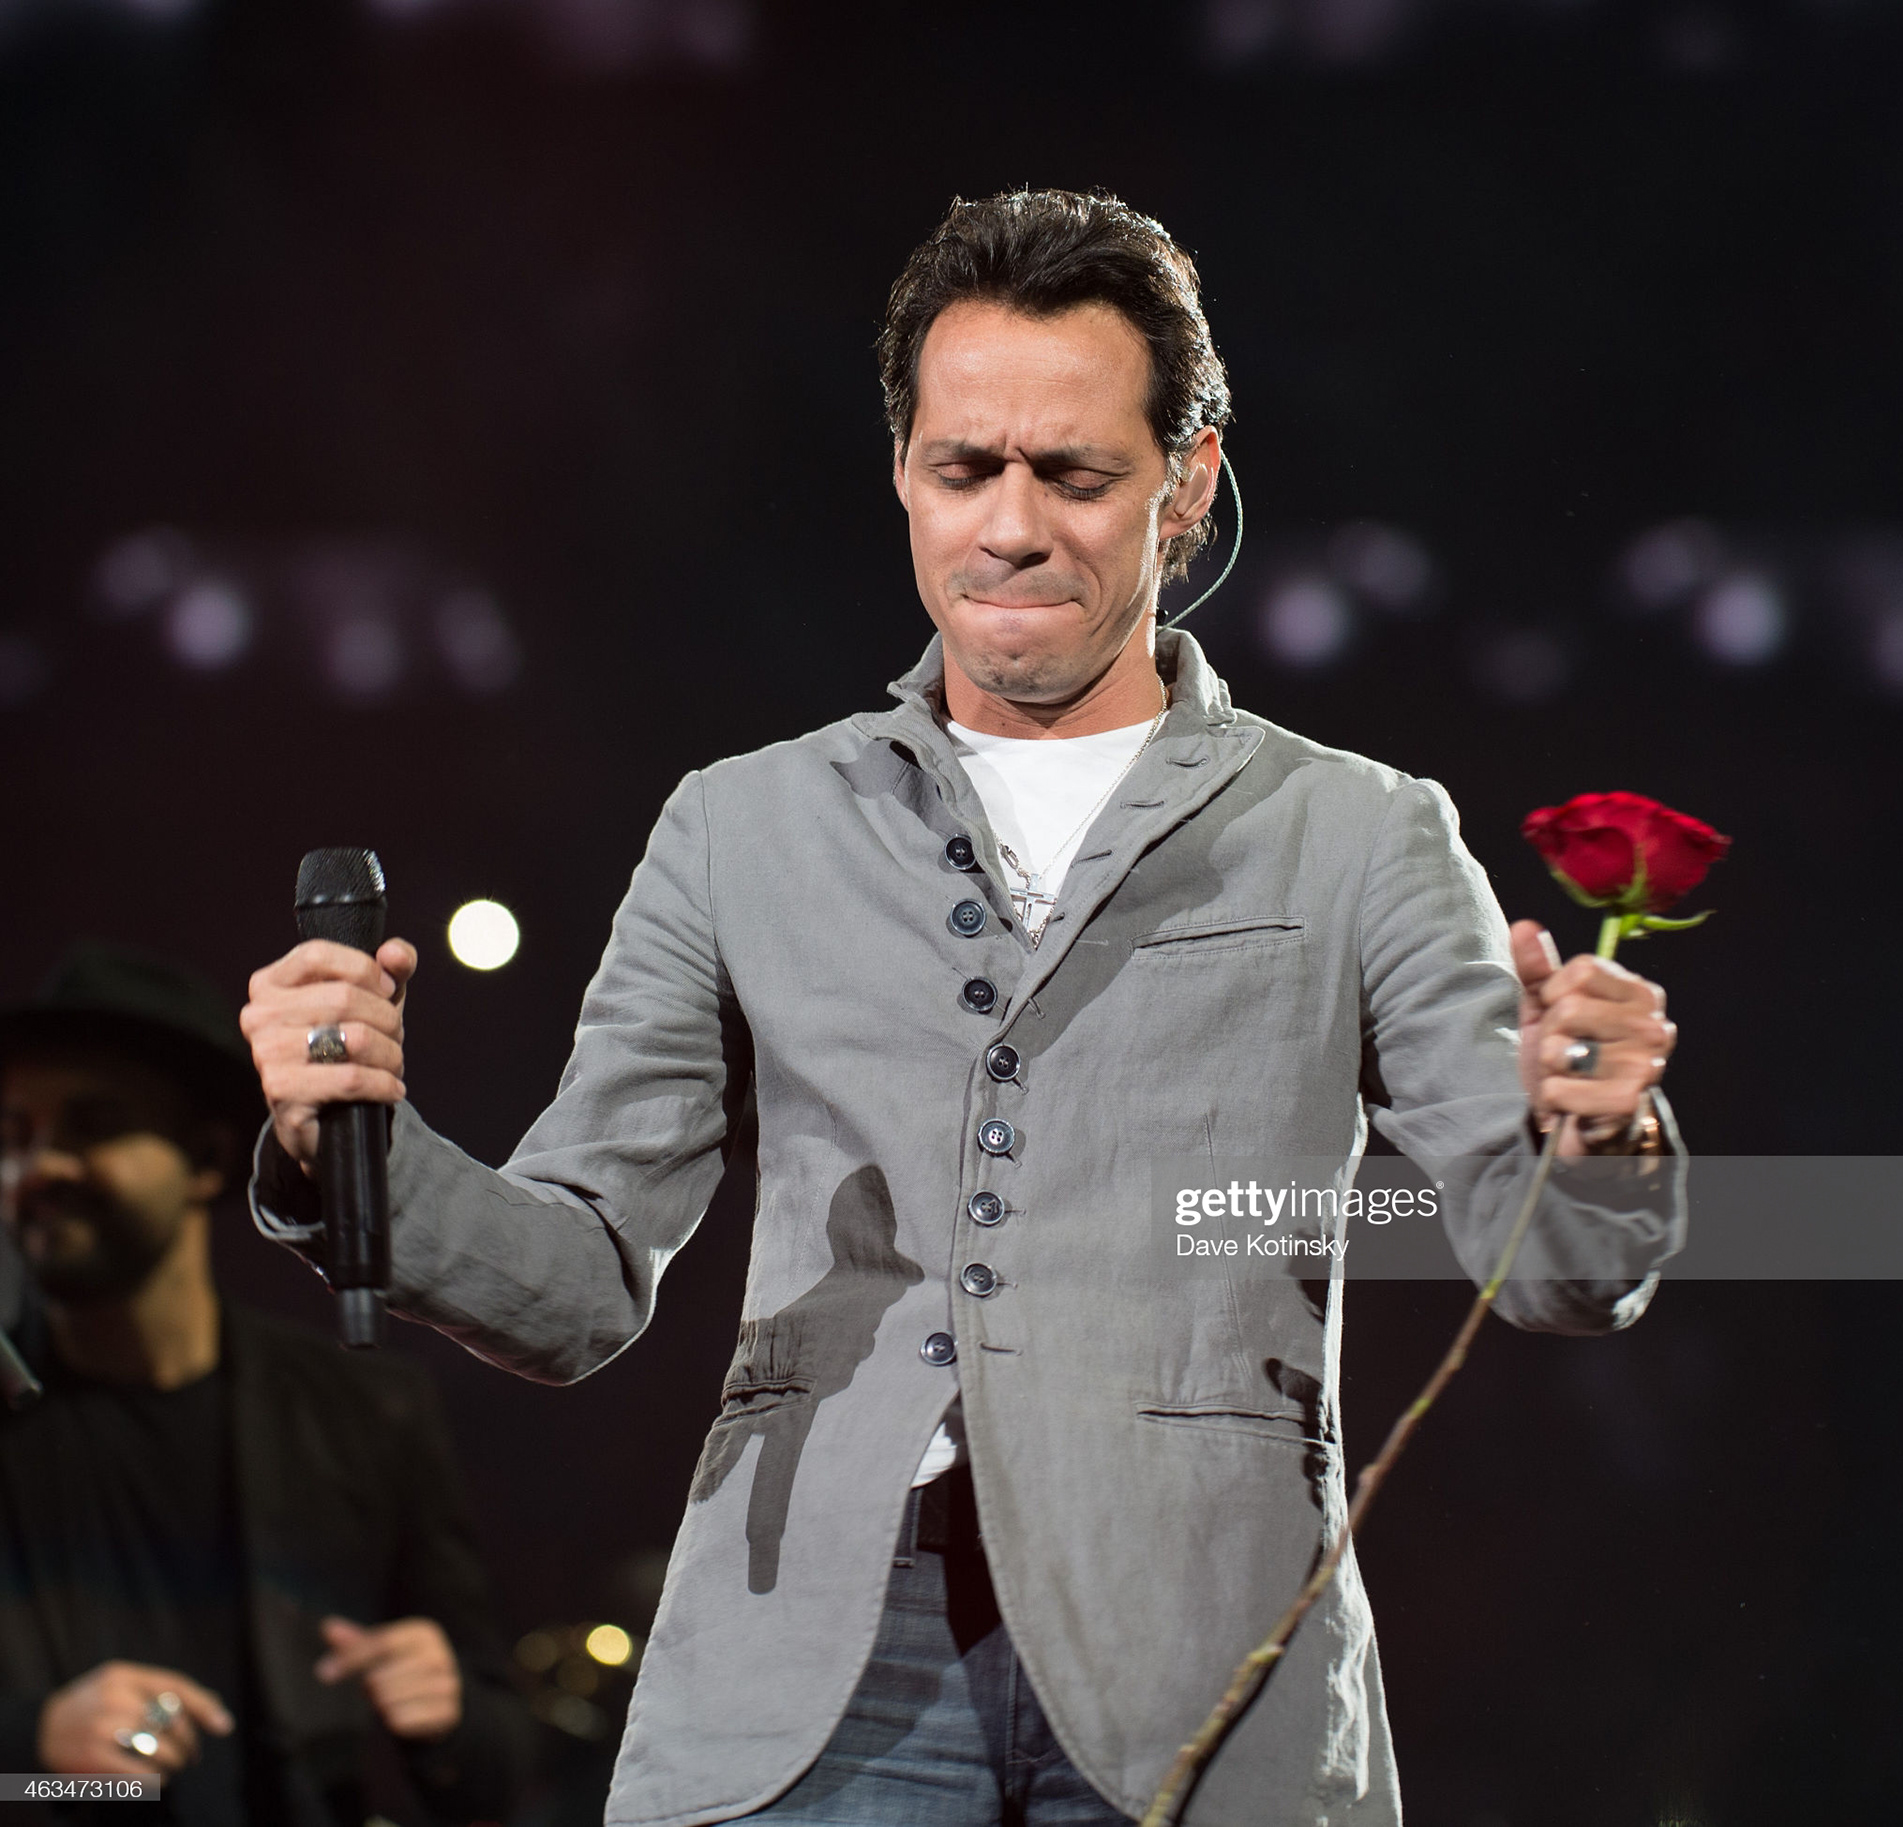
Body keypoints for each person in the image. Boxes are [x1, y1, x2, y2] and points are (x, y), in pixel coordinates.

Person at [240, 190, 1684, 1826]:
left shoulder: (1359, 829)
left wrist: (1603, 1122)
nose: (1011, 526)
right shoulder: (742, 826)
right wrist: (348, 1141)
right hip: (810, 1663)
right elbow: (578, 1282)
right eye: (964, 468)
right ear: (903, 475)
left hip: (1201, 1666)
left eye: (1074, 474)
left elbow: (1561, 1266)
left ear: (1186, 484)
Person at [0, 945, 533, 1826]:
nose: (41, 1167)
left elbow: (502, 1769)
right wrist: (40, 1753)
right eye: (15, 1135)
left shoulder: (367, 1414)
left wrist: (452, 1718)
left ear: (208, 1161)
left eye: (92, 1125)